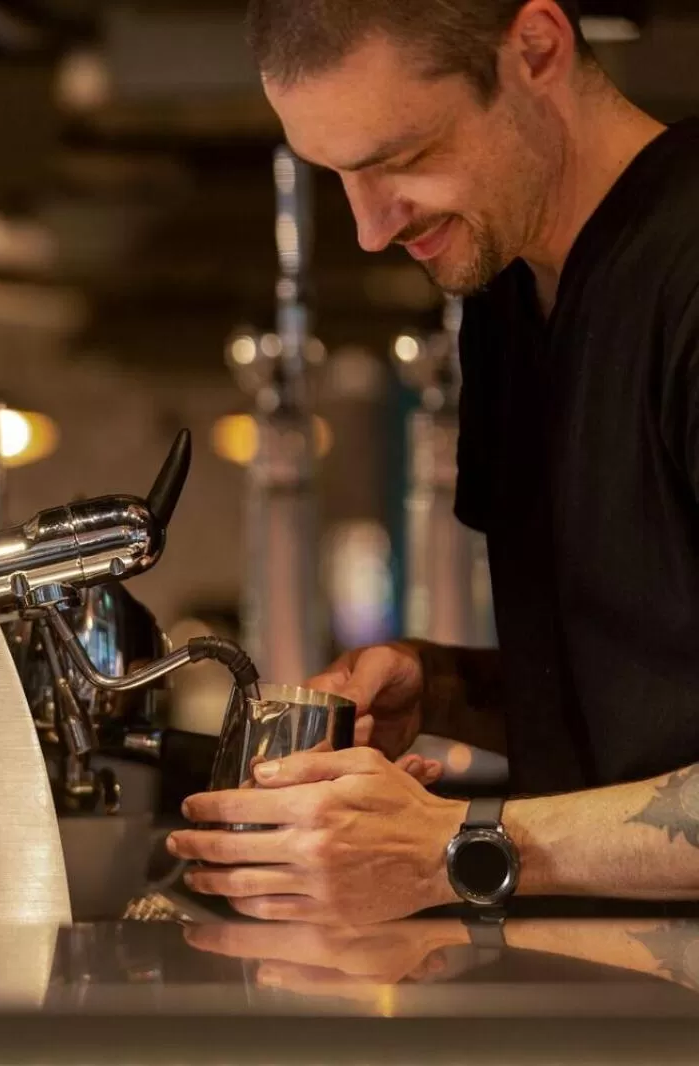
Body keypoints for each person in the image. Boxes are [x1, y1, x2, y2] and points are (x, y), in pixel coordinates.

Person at [167, 0, 699, 923]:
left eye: (402, 159)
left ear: (535, 49)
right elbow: (651, 689)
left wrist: (455, 846)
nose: (371, 228)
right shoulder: (506, 292)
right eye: (337, 175)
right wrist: (449, 688)